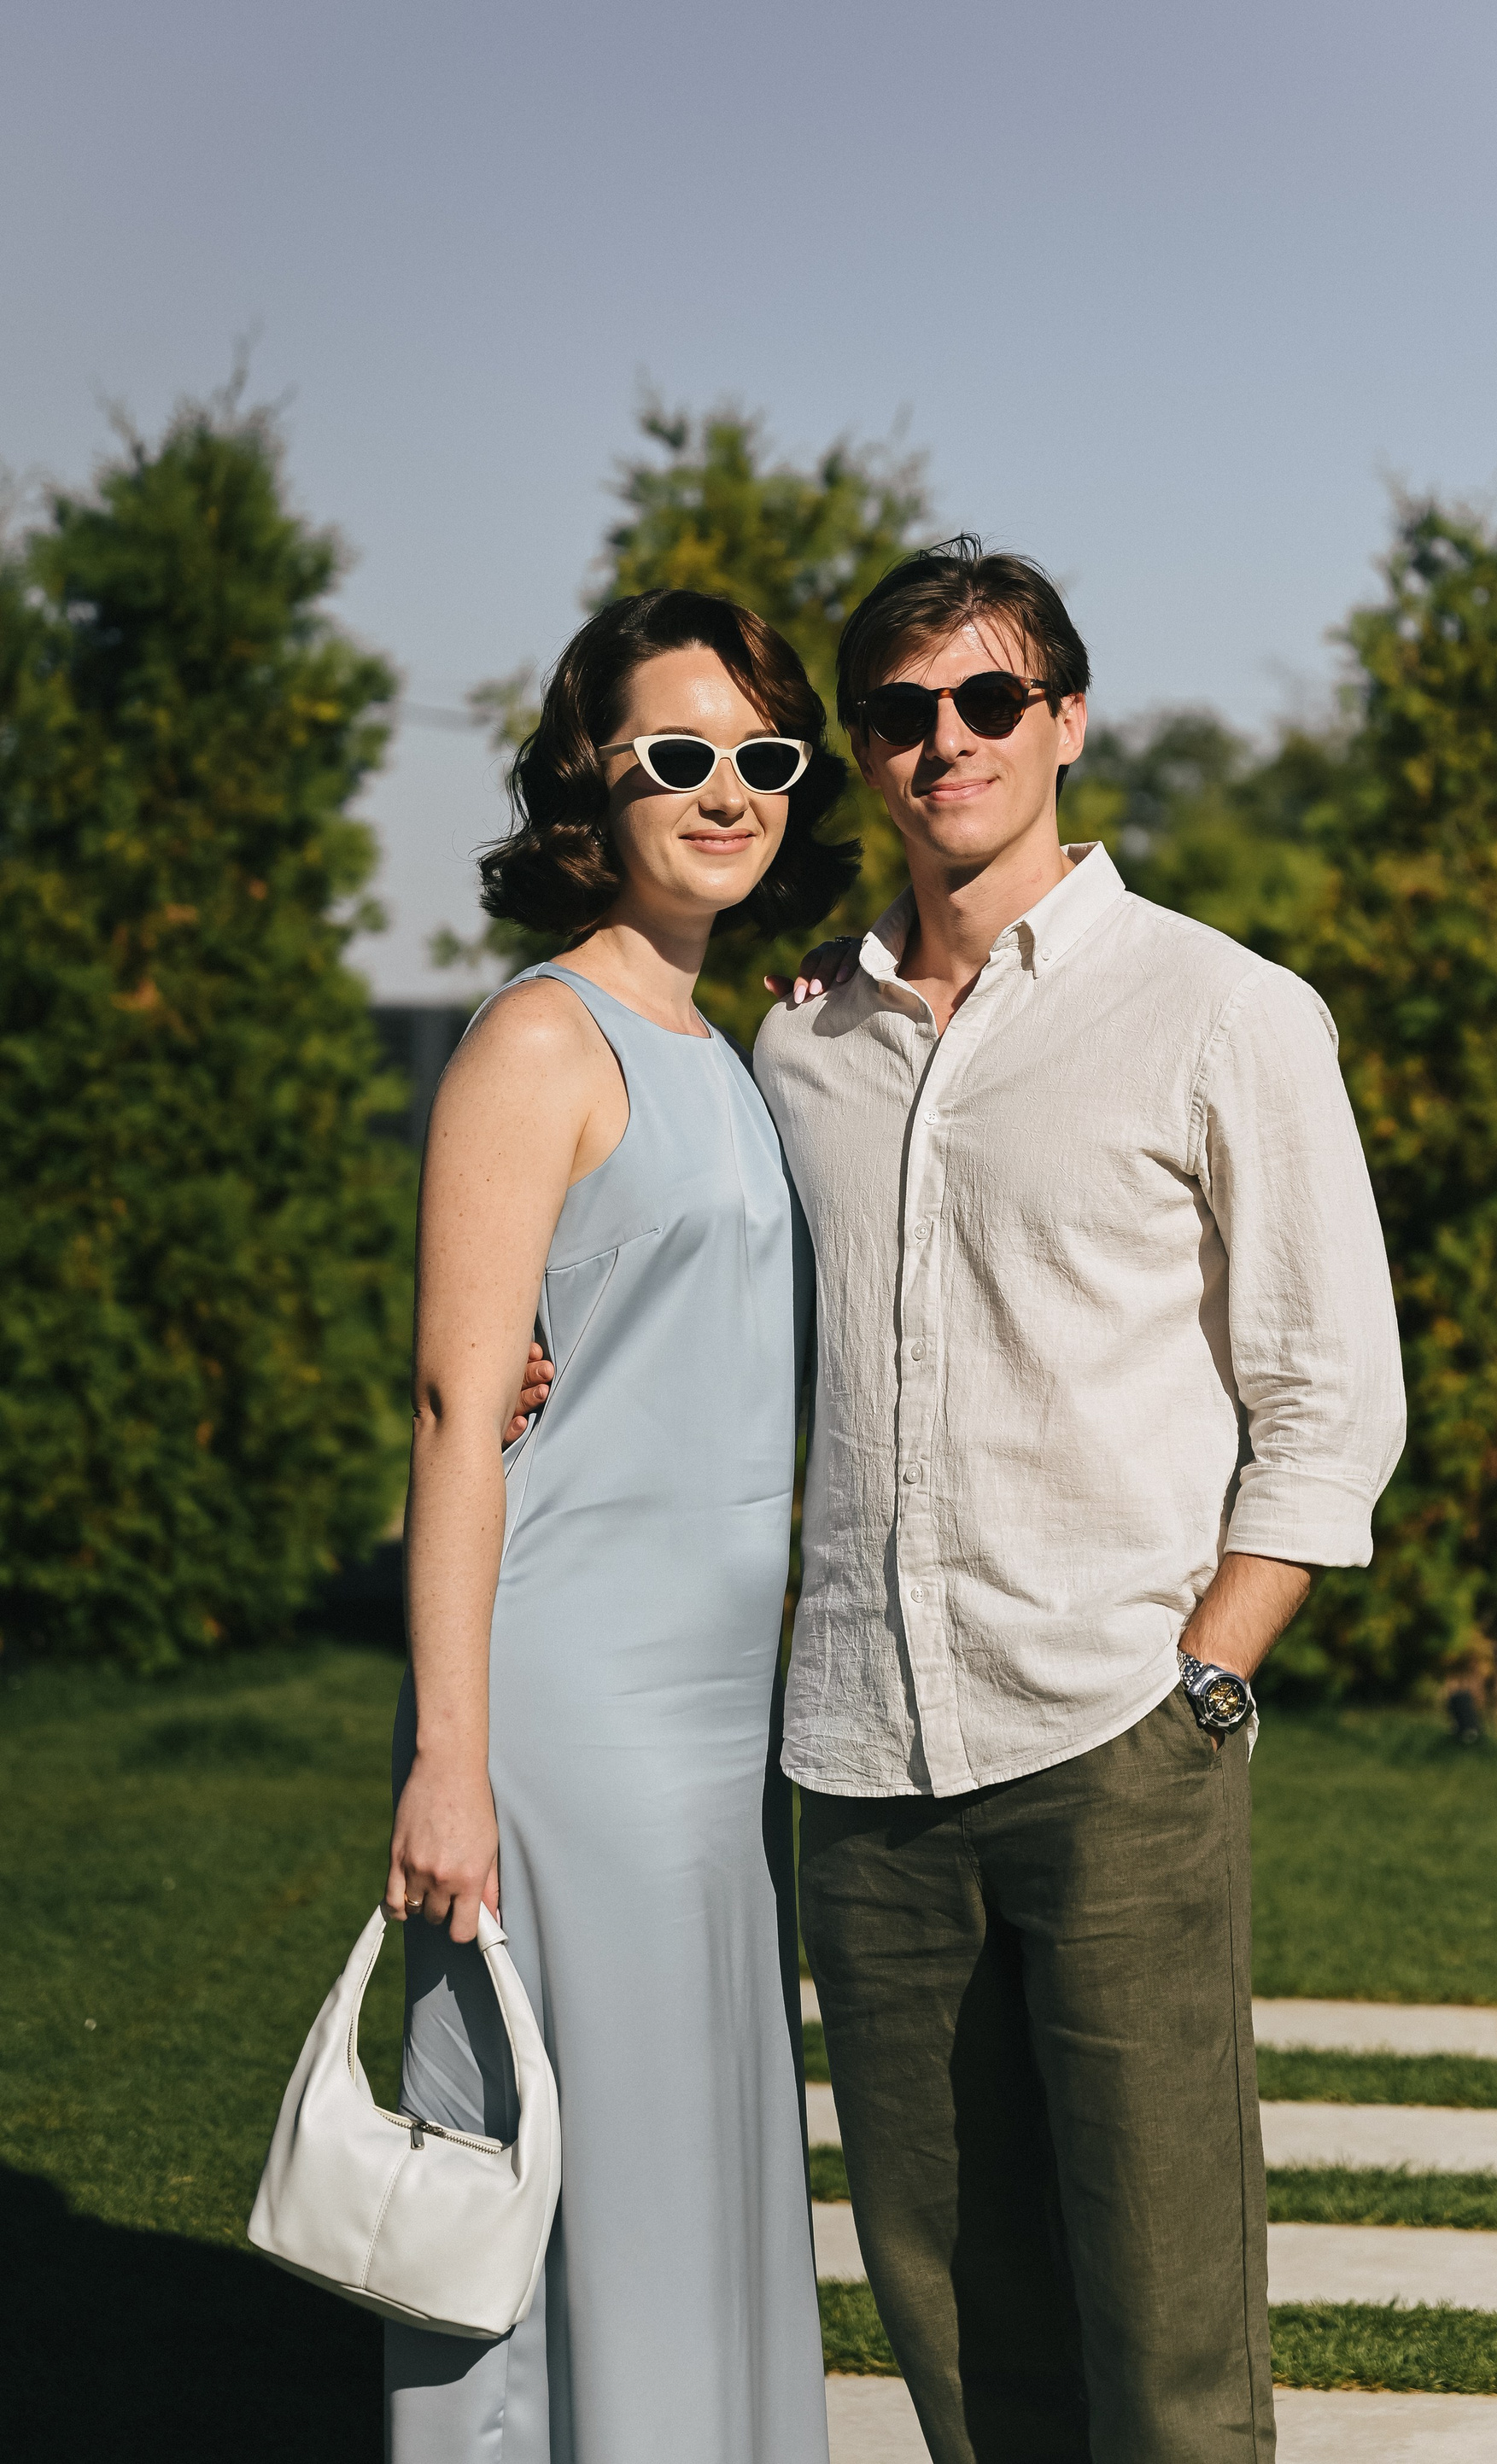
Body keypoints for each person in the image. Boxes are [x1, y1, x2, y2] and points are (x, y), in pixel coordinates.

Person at [750, 540, 1408, 2463]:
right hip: (863, 1762)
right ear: (862, 749)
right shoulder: (799, 1041)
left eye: (987, 699)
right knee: (961, 2334)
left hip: (1118, 1734)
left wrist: (1206, 1674)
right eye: (901, 711)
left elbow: (1330, 1394)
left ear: (1067, 724)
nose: (944, 741)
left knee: (1170, 2339)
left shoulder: (1220, 1008)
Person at [381, 587, 850, 2462]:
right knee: (578, 2195)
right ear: (596, 779)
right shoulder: (541, 1039)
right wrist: (451, 1758)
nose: (727, 791)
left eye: (763, 756)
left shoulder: (729, 1047)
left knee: (693, 2184)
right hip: (569, 1714)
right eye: (679, 754)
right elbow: (453, 1411)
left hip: (720, 1726)